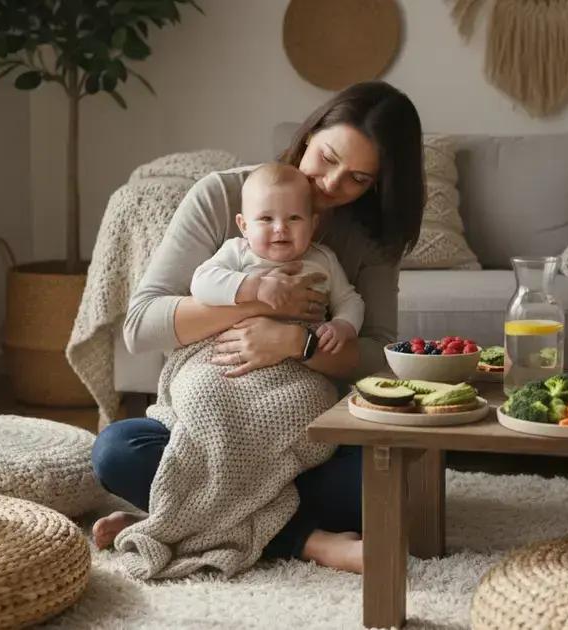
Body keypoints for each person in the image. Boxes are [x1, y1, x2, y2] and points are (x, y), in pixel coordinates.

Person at [92, 81, 424, 574]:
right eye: (327, 158)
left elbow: (380, 356)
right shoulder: (225, 196)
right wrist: (259, 305)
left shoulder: (364, 239)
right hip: (214, 404)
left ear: (377, 185)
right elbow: (142, 325)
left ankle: (174, 516)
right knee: (118, 452)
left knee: (386, 482)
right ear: (309, 136)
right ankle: (311, 543)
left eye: (357, 178)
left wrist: (297, 340)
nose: (332, 185)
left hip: (297, 420)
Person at [190, 162, 363, 355]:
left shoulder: (323, 259)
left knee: (308, 387)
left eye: (294, 218)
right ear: (244, 226)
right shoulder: (238, 251)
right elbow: (201, 283)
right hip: (237, 347)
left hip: (297, 356)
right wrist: (256, 287)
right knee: (205, 382)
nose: (280, 228)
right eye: (266, 219)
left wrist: (343, 325)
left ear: (313, 224)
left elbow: (349, 300)